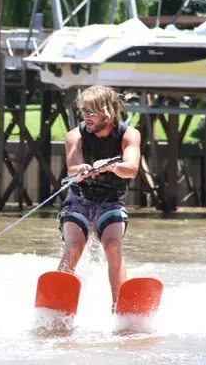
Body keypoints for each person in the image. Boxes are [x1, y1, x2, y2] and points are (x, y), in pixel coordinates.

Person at [57, 85, 141, 312]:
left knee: (113, 245)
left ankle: (119, 306)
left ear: (107, 112)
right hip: (79, 200)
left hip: (111, 201)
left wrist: (111, 166)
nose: (85, 117)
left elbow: (131, 169)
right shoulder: (75, 136)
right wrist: (81, 169)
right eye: (83, 112)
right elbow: (71, 169)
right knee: (74, 246)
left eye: (91, 112)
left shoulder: (128, 135)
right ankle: (57, 302)